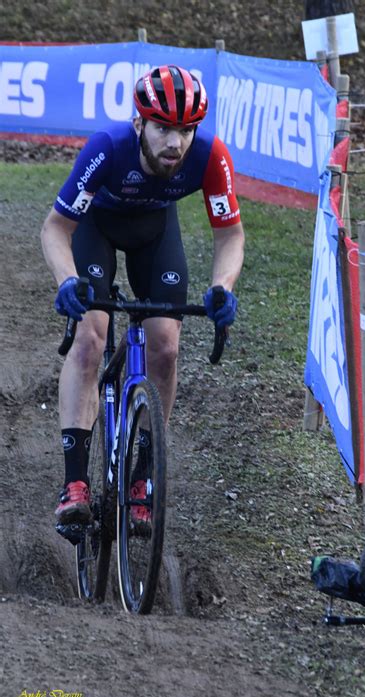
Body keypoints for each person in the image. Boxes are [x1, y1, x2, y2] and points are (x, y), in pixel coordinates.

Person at [40, 64, 245, 530]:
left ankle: (141, 477)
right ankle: (74, 483)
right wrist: (67, 281)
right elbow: (56, 227)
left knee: (166, 346)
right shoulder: (107, 149)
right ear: (140, 124)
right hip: (98, 230)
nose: (175, 143)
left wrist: (221, 288)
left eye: (185, 130)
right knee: (92, 338)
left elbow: (230, 234)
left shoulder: (209, 156)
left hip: (155, 234)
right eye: (163, 128)